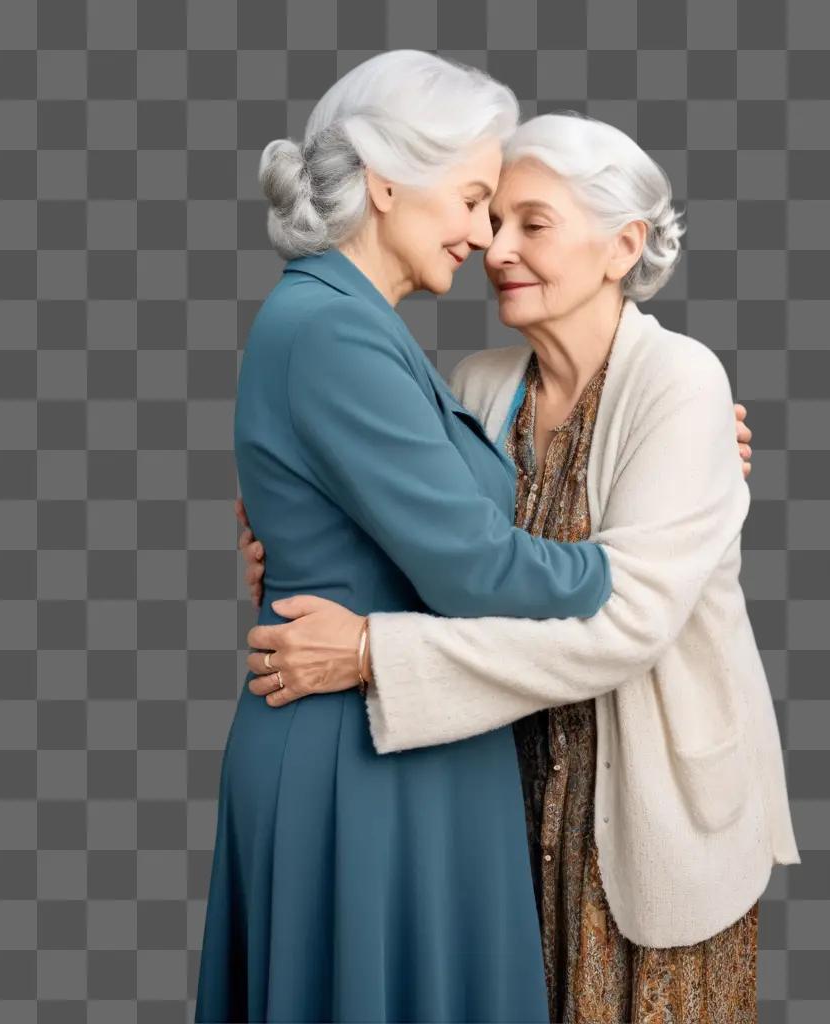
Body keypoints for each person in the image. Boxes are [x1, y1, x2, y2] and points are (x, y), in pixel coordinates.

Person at [237, 113, 797, 1024]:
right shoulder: (476, 387)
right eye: (492, 218)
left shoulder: (681, 385)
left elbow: (625, 630)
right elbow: (415, 556)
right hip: (500, 817)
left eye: (531, 224)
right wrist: (285, 530)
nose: (495, 247)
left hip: (646, 822)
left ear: (623, 246)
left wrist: (375, 654)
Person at [194, 52, 625, 1024]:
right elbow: (475, 565)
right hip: (362, 761)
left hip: (396, 744)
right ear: (386, 182)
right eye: (473, 198)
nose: (484, 232)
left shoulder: (353, 326)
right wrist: (641, 562)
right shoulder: (334, 333)